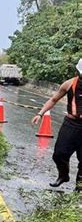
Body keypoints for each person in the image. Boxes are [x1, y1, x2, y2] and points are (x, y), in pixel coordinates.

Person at [31, 58, 82, 191]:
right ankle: (63, 175)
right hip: (71, 124)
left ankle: (79, 190)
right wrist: (40, 114)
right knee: (59, 154)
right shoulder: (69, 84)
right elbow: (53, 99)